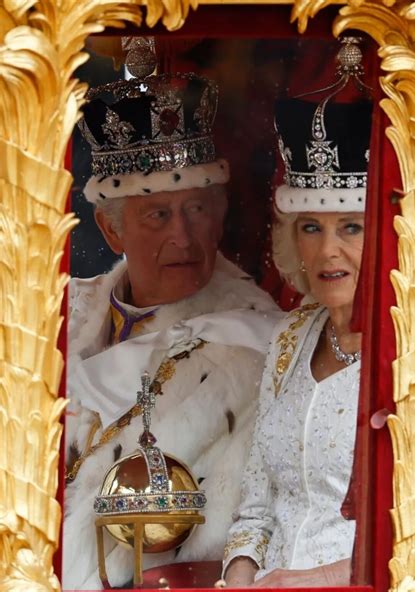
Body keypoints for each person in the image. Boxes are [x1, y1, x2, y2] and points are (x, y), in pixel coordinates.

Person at [223, 96, 415, 587]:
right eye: (311, 228)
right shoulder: (291, 337)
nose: (326, 250)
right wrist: (239, 576)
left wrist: (307, 581)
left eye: (351, 227)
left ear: (392, 233)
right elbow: (255, 512)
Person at [63, 72, 282, 590]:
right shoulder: (59, 315)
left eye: (197, 210)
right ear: (111, 229)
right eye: (158, 215)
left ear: (220, 216)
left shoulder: (261, 342)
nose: (182, 236)